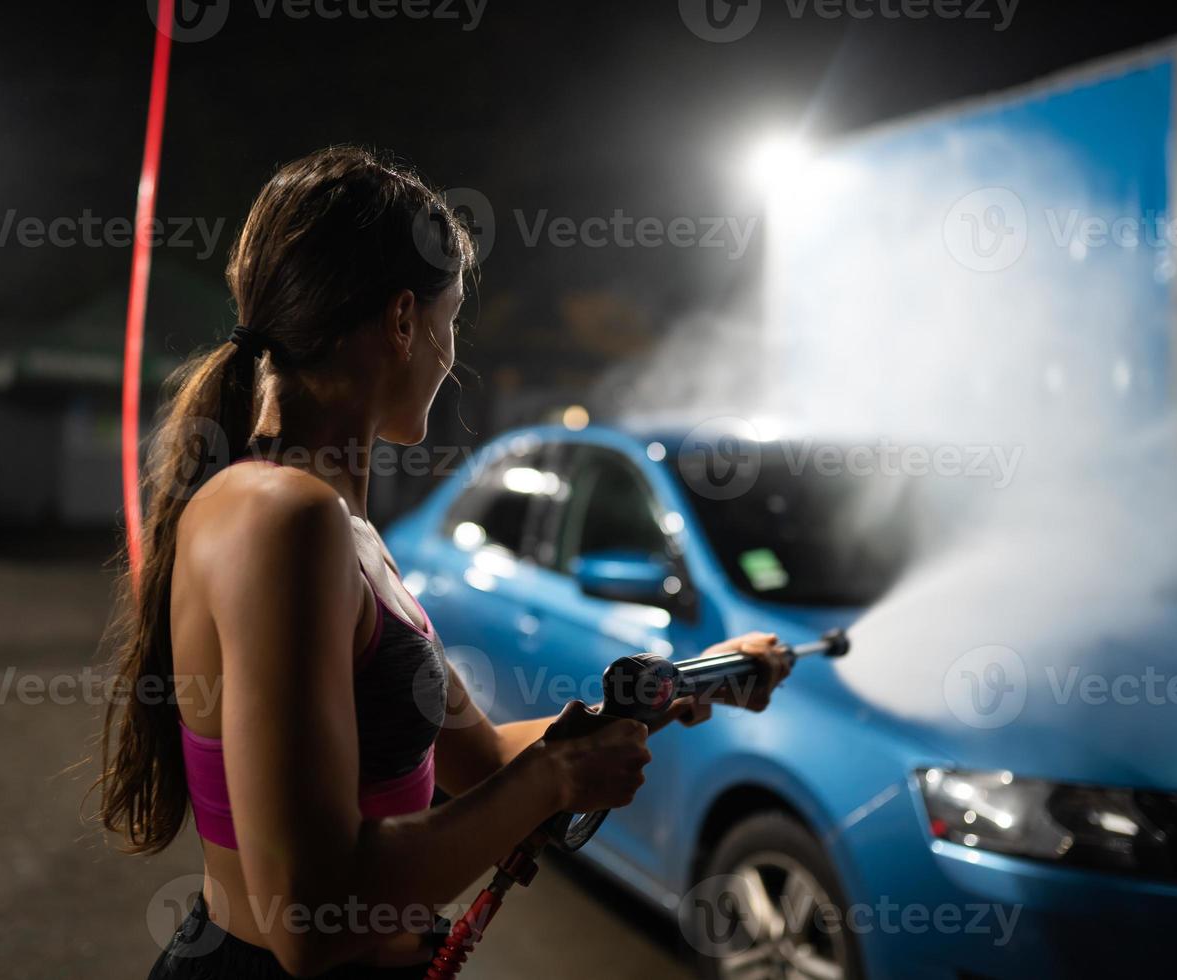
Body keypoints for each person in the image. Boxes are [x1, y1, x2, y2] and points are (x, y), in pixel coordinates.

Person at [96, 146, 794, 979]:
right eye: (450, 318)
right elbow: (309, 919)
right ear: (401, 321)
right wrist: (557, 779)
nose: (450, 353)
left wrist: (686, 684)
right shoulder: (286, 518)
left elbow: (486, 762)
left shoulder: (336, 523)